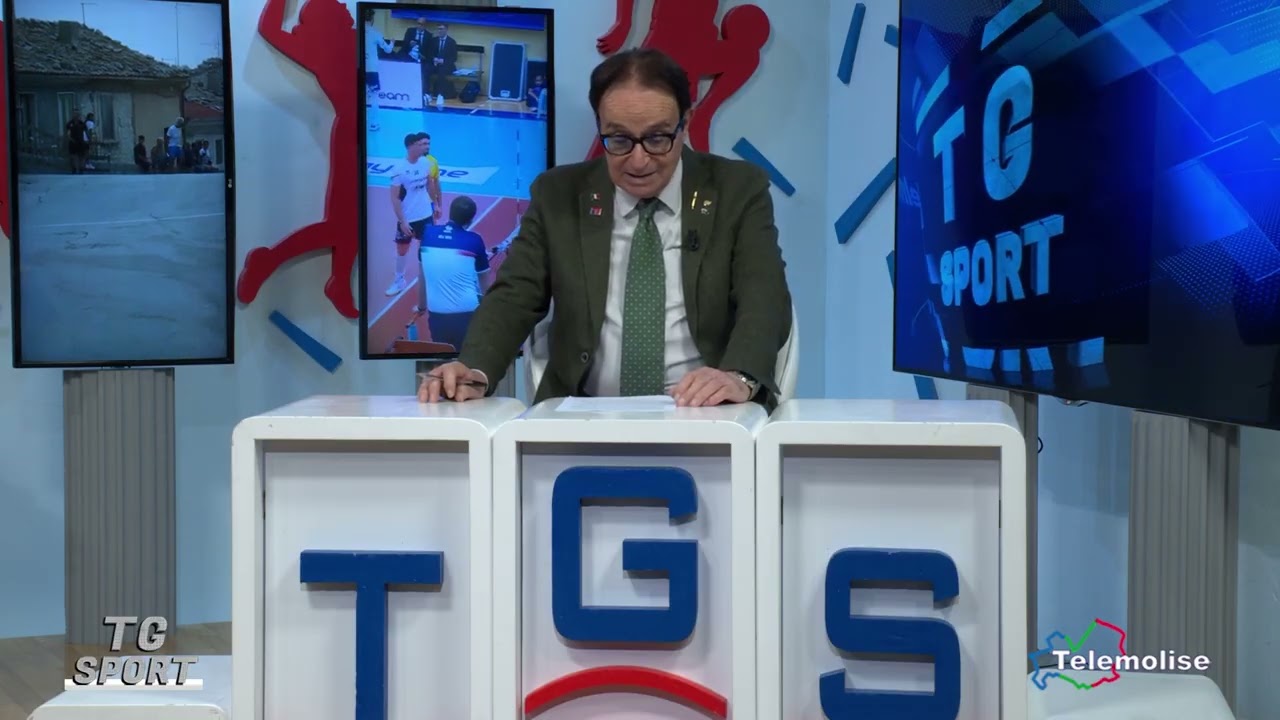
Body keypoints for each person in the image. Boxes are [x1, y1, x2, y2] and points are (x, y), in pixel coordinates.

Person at [420, 48, 792, 408]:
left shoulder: (736, 189)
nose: (639, 160)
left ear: (686, 123)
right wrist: (475, 367)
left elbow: (764, 292)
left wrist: (739, 375)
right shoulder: (559, 194)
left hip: (704, 412)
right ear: (600, 127)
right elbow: (516, 294)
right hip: (584, 412)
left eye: (658, 138)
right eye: (619, 140)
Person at [414, 195, 491, 349]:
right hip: (468, 315)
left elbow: (422, 277)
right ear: (470, 220)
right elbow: (485, 286)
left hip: (437, 316)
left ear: (450, 213)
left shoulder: (427, 234)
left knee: (443, 357)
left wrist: (421, 307)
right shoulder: (475, 240)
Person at [386, 131, 442, 296]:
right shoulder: (399, 169)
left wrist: (435, 204)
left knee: (427, 248)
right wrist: (402, 221)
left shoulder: (426, 163)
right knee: (402, 249)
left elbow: (430, 185)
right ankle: (399, 280)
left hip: (425, 214)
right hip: (408, 217)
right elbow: (395, 198)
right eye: (421, 144)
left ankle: (429, 280)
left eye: (426, 144)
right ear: (411, 146)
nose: (426, 147)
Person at [364, 15, 395, 132]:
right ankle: (374, 123)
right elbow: (388, 50)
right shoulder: (375, 32)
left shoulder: (355, 30)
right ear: (372, 19)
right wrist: (392, 43)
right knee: (374, 96)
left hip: (358, 68)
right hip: (371, 70)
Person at [422, 22, 458, 100]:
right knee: (425, 69)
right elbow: (429, 54)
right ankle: (426, 93)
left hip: (446, 65)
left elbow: (454, 58)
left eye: (441, 29)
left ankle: (439, 94)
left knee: (442, 70)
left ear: (446, 30)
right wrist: (434, 59)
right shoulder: (433, 41)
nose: (439, 31)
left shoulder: (451, 42)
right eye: (438, 29)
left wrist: (443, 61)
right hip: (434, 64)